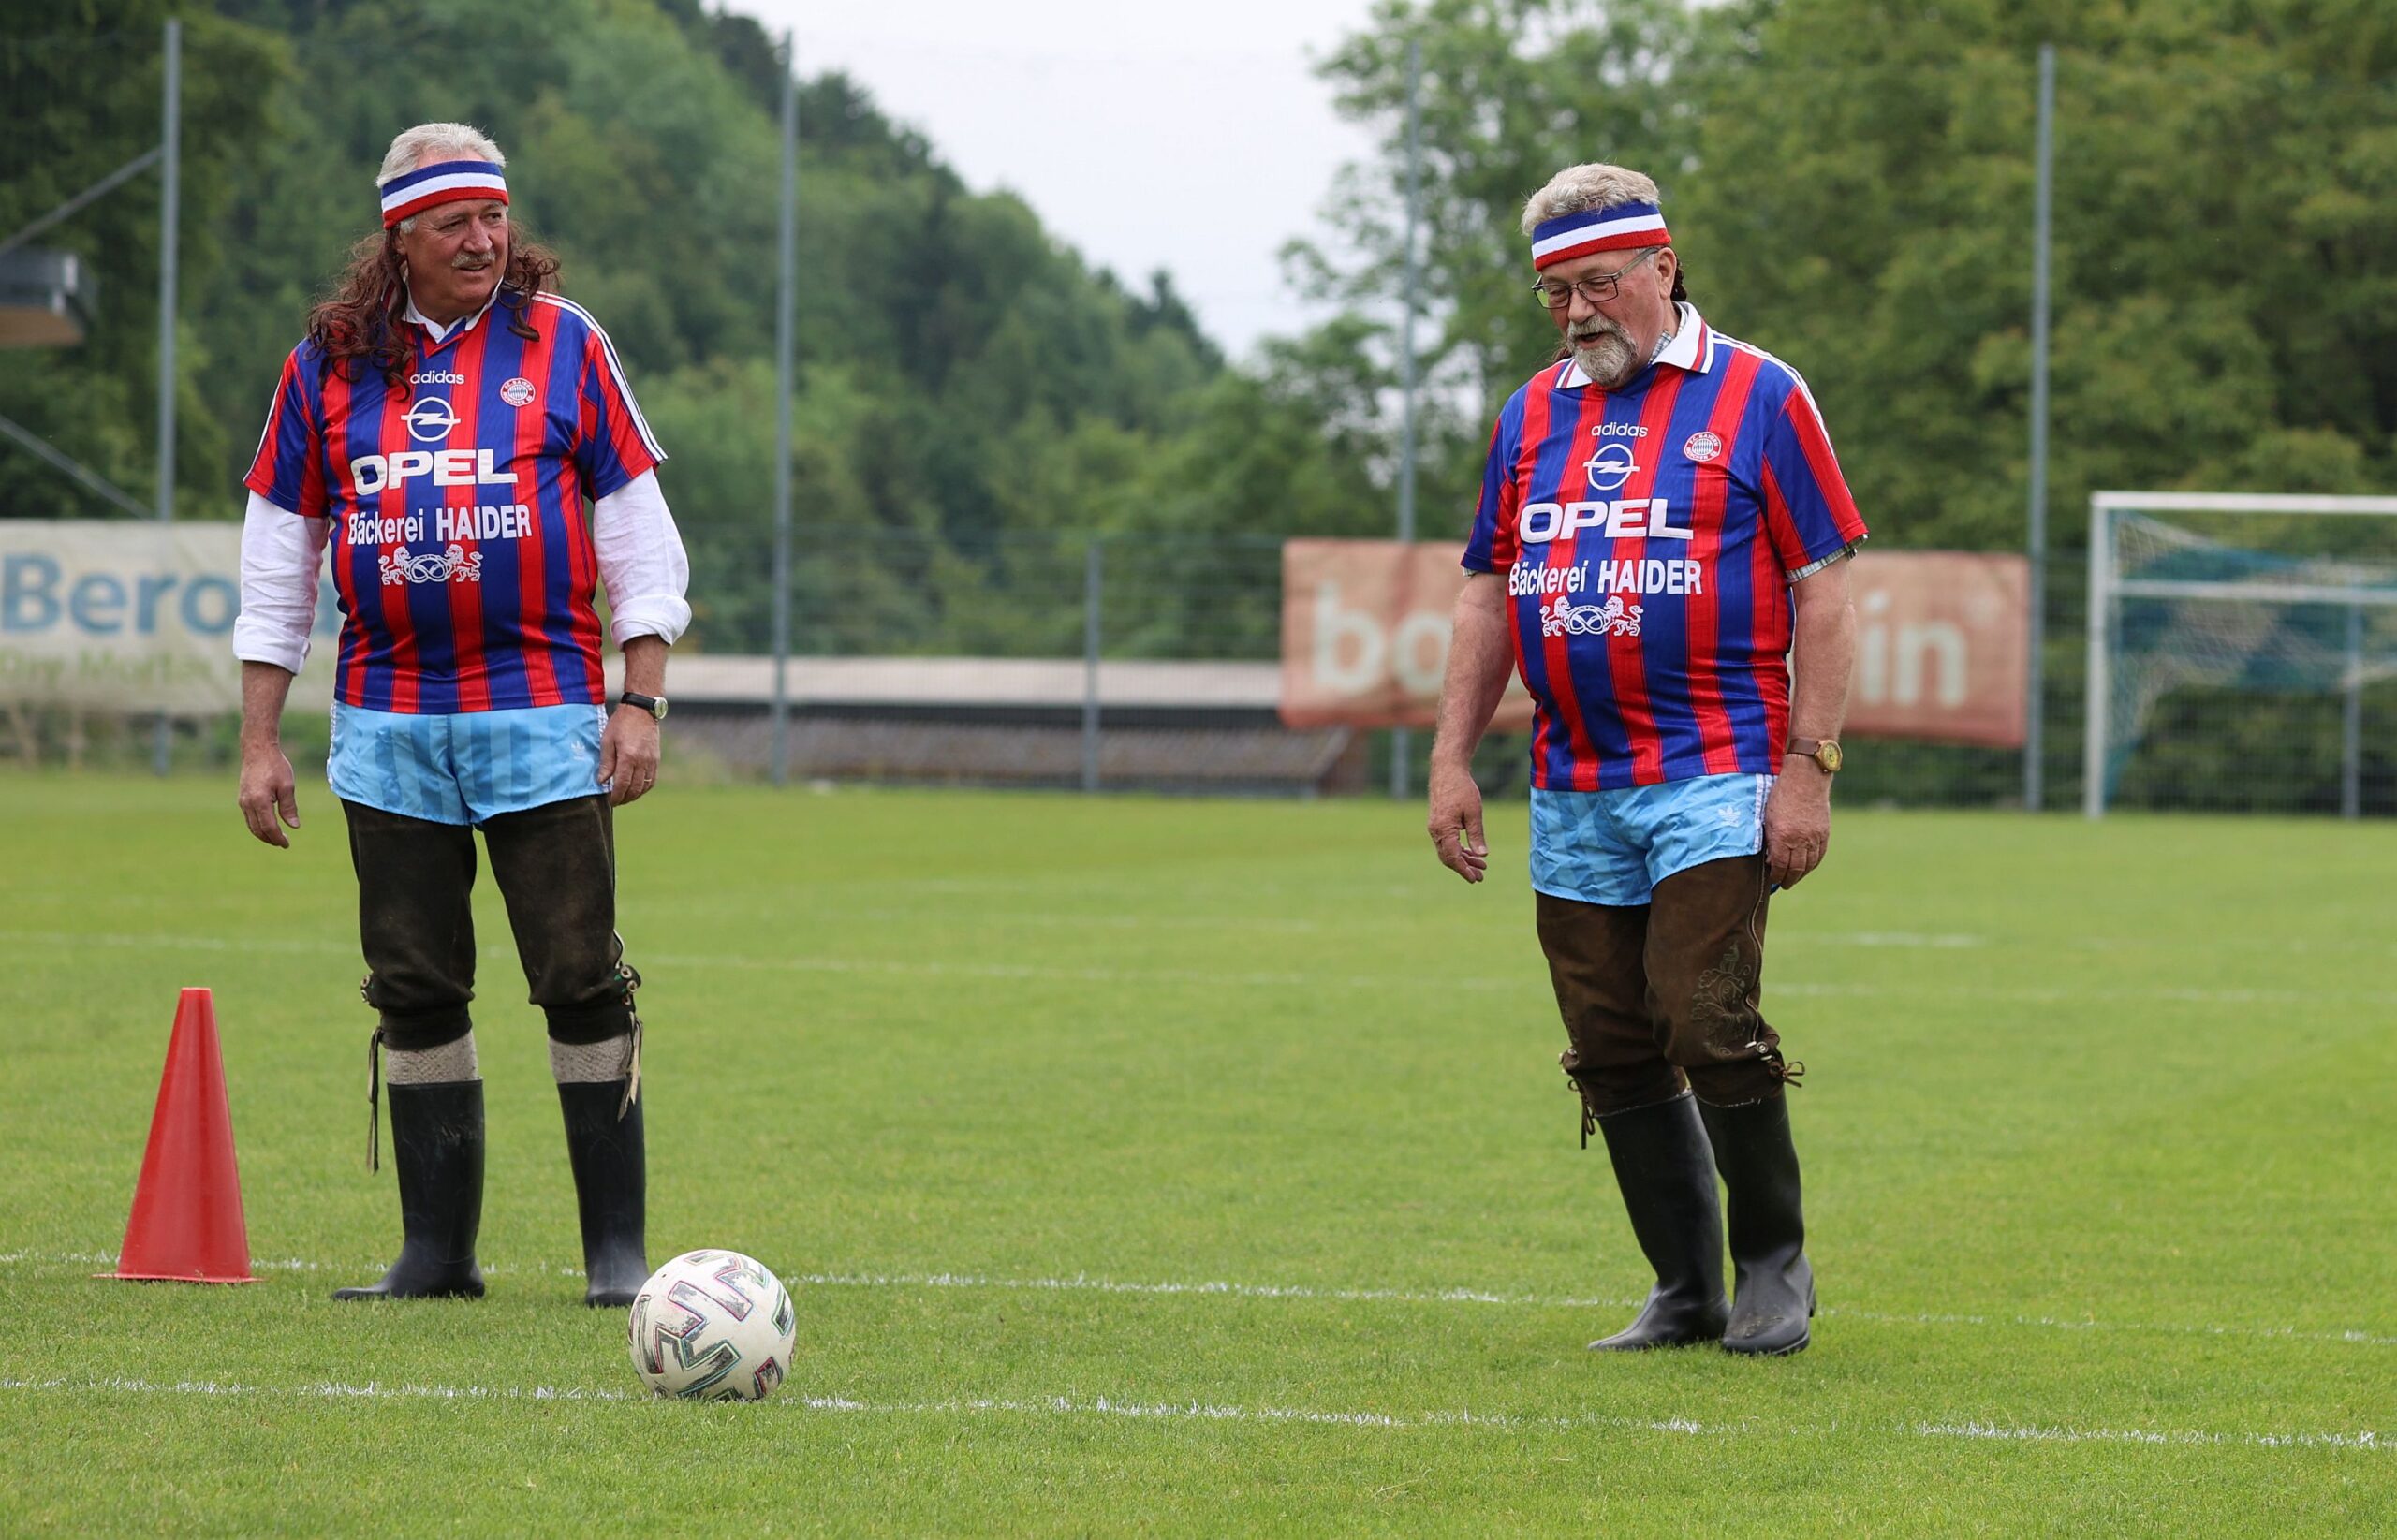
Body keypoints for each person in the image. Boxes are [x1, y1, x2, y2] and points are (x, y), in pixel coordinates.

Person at [232, 122, 690, 1307]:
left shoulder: (565, 344)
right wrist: (259, 739)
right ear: (401, 238)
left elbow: (639, 539)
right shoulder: (325, 365)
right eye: (454, 223)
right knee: (413, 983)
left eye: (494, 215)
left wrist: (639, 698)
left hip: (542, 719)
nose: (483, 239)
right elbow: (278, 566)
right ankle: (436, 1256)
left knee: (580, 974)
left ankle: (615, 1256)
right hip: (387, 730)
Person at [1426, 163, 1865, 1357]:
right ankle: (1683, 1287)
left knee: (1701, 1011)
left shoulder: (1762, 395)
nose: (1577, 312)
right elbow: (1487, 592)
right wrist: (1451, 758)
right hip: (1573, 782)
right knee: (1610, 1038)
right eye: (1555, 293)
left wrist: (1809, 767)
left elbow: (1825, 593)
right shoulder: (1528, 415)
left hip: (1719, 766)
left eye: (1599, 283)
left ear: (1661, 266)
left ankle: (1771, 1265)